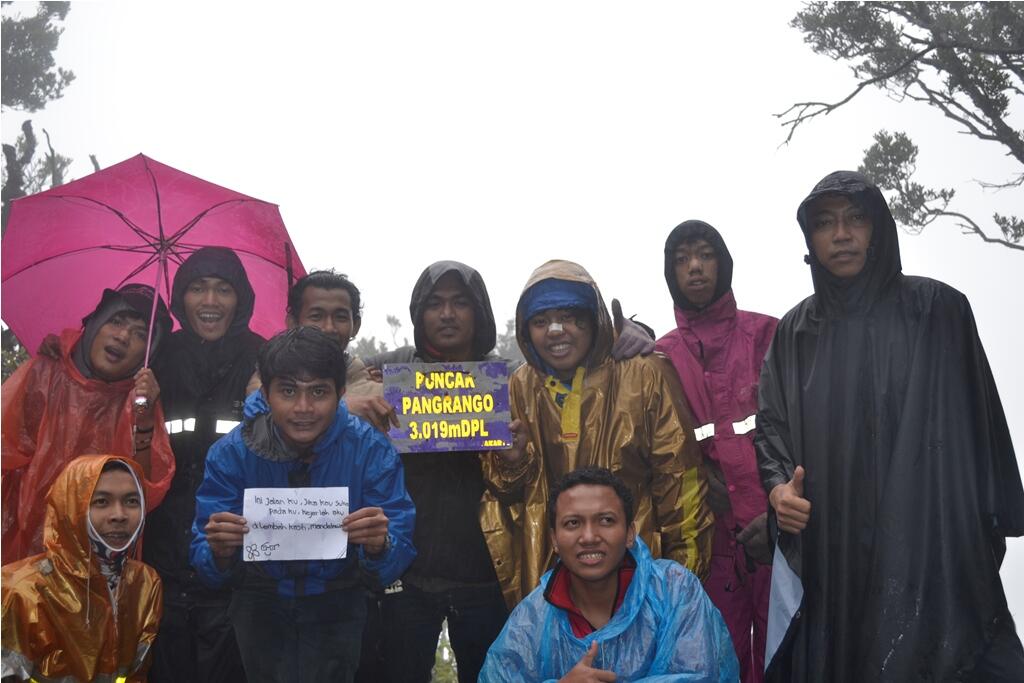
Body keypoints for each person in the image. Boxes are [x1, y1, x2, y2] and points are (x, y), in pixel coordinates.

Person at [756, 170, 1024, 682]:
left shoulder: (939, 310)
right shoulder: (796, 331)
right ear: (808, 240)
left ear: (880, 228)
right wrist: (776, 491)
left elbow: (982, 424)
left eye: (856, 219)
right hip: (835, 547)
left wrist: (987, 516)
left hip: (931, 541)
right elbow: (772, 426)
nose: (841, 234)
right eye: (826, 223)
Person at [482, 259, 713, 608]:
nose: (556, 331)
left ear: (594, 320)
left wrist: (682, 581)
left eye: (570, 317)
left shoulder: (644, 374)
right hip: (552, 588)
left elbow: (682, 484)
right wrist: (511, 463)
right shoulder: (519, 385)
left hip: (640, 580)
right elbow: (504, 495)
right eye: (540, 321)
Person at [190, 326, 416, 683]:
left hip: (339, 601)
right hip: (258, 601)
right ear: (266, 393)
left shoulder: (371, 449)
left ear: (340, 393)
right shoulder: (230, 453)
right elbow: (204, 557)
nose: (304, 408)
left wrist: (380, 546)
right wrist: (218, 551)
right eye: (288, 391)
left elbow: (398, 548)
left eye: (319, 392)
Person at [362, 261, 510, 683]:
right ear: (418, 313)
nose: (447, 314)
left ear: (479, 310)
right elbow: (321, 369)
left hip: (485, 572)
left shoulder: (508, 380)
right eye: (435, 303)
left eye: (460, 303)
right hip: (408, 572)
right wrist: (357, 390)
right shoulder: (390, 369)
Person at [656, 220, 777, 683]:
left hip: (779, 535)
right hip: (709, 546)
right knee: (716, 659)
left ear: (723, 264)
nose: (695, 267)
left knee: (785, 652)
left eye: (704, 255)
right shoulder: (657, 358)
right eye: (682, 260)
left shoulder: (771, 335)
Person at [480, 466, 738, 682]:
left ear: (629, 534)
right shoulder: (533, 618)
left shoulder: (674, 590)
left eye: (606, 520)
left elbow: (702, 674)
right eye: (573, 523)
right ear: (554, 541)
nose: (589, 537)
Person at [144, 246, 265, 683]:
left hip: (236, 565)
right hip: (162, 560)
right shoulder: (156, 355)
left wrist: (262, 404)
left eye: (223, 289)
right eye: (198, 288)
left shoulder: (265, 359)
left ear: (241, 299)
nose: (210, 301)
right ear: (180, 298)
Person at [1, 283, 175, 562]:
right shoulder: (46, 371)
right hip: (26, 550)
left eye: (141, 334)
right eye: (116, 321)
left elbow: (145, 493)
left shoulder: (142, 399)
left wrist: (143, 418)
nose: (123, 336)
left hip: (101, 562)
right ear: (95, 323)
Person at [2, 455, 162, 682]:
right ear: (71, 507)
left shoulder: (145, 581)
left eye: (131, 501)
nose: (119, 515)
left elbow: (136, 673)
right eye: (101, 502)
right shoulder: (22, 590)